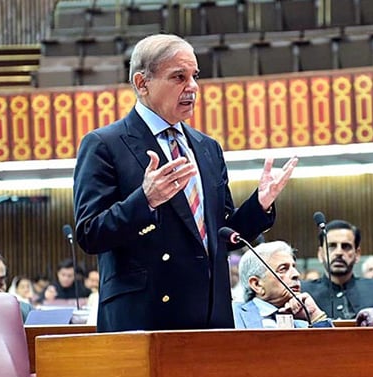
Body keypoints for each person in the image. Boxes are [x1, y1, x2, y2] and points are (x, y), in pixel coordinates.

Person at [73, 34, 297, 332]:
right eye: (178, 77)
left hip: (210, 314)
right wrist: (145, 200)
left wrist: (259, 205)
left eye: (194, 76)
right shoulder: (105, 144)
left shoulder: (207, 147)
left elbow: (221, 234)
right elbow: (90, 233)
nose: (192, 87)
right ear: (142, 83)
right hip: (144, 316)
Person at [302, 220, 373, 320]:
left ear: (357, 254)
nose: (339, 252)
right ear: (320, 254)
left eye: (346, 246)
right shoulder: (304, 293)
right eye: (332, 246)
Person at [233, 241, 332, 328]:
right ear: (257, 284)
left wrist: (315, 315)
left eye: (294, 267)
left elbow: (333, 347)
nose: (296, 274)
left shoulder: (303, 321)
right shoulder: (233, 315)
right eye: (283, 269)